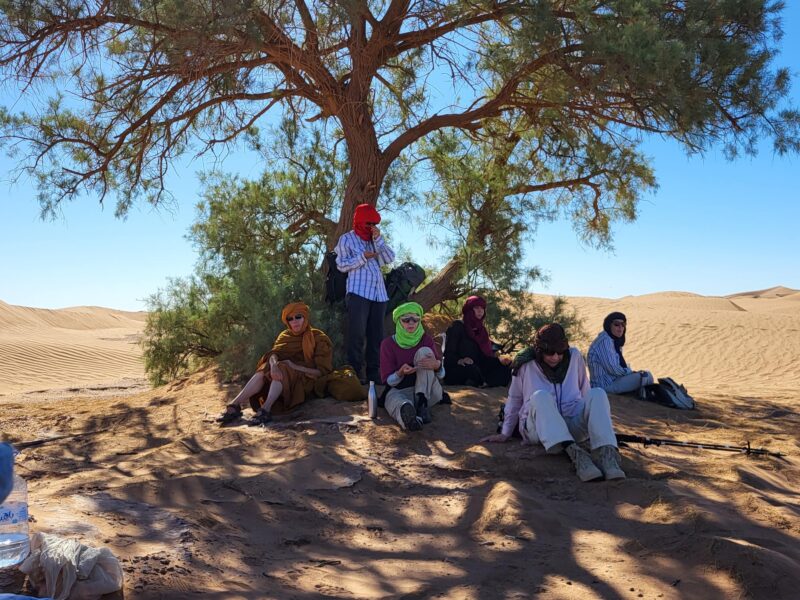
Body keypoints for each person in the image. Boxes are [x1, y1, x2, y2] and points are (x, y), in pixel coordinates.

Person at [482, 323, 626, 482]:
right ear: (539, 350)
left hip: (572, 423)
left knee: (597, 393)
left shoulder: (574, 357)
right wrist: (505, 432)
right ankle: (576, 456)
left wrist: (595, 425)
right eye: (550, 352)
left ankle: (607, 456)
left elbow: (585, 390)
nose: (555, 357)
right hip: (538, 428)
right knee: (540, 397)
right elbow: (515, 398)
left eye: (560, 352)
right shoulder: (525, 363)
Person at [216, 302, 333, 426]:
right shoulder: (284, 336)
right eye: (290, 319)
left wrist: (294, 367)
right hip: (283, 375)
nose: (294, 321)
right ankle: (235, 405)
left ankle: (266, 409)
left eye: (298, 317)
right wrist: (273, 366)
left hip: (304, 379)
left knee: (283, 367)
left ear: (305, 317)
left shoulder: (318, 337)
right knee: (265, 367)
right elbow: (274, 354)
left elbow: (322, 372)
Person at [335, 203, 395, 384]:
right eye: (369, 223)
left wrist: (378, 240)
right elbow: (341, 265)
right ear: (361, 221)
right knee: (357, 334)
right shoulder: (347, 239)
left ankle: (374, 374)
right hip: (358, 292)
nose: (372, 227)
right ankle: (354, 373)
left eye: (375, 224)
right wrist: (363, 257)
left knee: (377, 335)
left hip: (379, 294)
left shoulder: (374, 240)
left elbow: (389, 259)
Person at [380, 302, 449, 431]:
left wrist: (437, 365)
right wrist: (400, 373)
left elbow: (441, 375)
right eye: (406, 319)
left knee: (425, 352)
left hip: (429, 391)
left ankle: (422, 404)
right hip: (401, 390)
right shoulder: (387, 344)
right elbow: (389, 381)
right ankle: (409, 418)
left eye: (415, 319)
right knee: (396, 402)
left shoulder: (426, 340)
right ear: (399, 322)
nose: (411, 323)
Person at [443, 295, 512, 388]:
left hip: (478, 365)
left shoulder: (481, 330)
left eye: (482, 308)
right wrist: (460, 360)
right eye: (476, 308)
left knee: (504, 367)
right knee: (471, 369)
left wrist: (500, 360)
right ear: (469, 310)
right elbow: (448, 354)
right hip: (458, 367)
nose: (480, 311)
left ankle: (484, 383)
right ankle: (480, 382)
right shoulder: (457, 326)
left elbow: (484, 356)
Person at [587, 312, 654, 397]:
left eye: (623, 325)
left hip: (613, 380)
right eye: (616, 324)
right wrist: (629, 372)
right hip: (604, 386)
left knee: (644, 375)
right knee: (647, 376)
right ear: (609, 325)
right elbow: (613, 368)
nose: (620, 328)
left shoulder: (613, 341)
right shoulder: (605, 341)